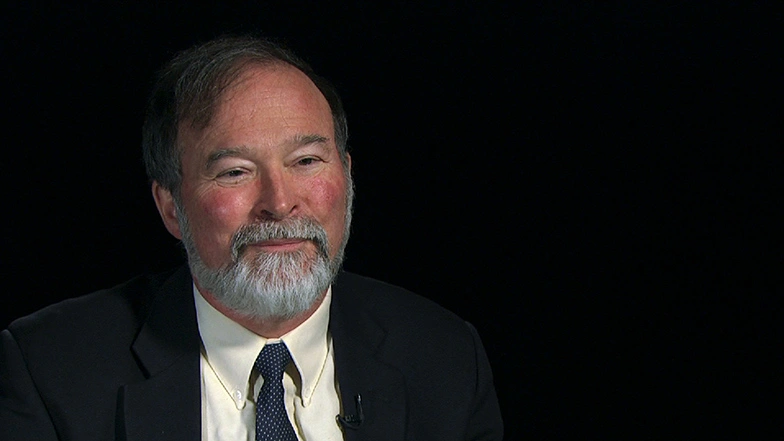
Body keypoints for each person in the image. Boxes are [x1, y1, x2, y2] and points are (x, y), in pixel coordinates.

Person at [0, 35, 503, 440]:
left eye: (306, 161)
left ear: (347, 177)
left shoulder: (445, 359)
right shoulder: (49, 370)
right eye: (235, 172)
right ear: (171, 206)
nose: (279, 203)